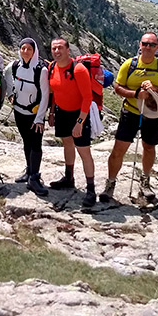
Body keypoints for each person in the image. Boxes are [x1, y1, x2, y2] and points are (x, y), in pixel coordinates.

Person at [101, 32, 158, 203]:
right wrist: (136, 94)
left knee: (149, 147)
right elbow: (118, 88)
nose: (148, 47)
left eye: (152, 45)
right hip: (131, 112)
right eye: (145, 44)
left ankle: (145, 181)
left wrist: (155, 88)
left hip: (153, 115)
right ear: (140, 45)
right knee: (119, 149)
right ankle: (110, 182)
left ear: (157, 48)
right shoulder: (130, 65)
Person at [46, 37, 96, 207]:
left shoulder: (78, 69)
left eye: (60, 48)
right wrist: (52, 112)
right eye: (54, 48)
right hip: (62, 112)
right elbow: (55, 92)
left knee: (83, 150)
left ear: (68, 50)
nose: (57, 51)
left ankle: (91, 189)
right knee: (67, 143)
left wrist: (80, 122)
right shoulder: (52, 67)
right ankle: (69, 178)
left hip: (78, 114)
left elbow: (87, 98)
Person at [7, 38, 50, 196]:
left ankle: (34, 177)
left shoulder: (41, 70)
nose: (25, 51)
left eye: (29, 49)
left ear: (34, 51)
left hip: (34, 115)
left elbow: (45, 95)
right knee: (26, 141)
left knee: (36, 145)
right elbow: (6, 75)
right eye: (23, 48)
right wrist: (10, 94)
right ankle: (29, 171)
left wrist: (39, 118)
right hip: (19, 112)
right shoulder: (15, 66)